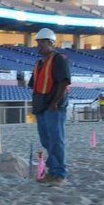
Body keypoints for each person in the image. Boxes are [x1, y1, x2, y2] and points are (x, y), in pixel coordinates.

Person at [29, 28, 70, 186]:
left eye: (42, 43)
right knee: (47, 141)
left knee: (56, 140)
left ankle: (59, 174)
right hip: (41, 107)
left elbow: (63, 82)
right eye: (38, 43)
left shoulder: (59, 59)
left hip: (53, 107)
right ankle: (53, 171)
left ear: (51, 43)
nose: (39, 46)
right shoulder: (39, 63)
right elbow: (35, 86)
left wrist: (55, 102)